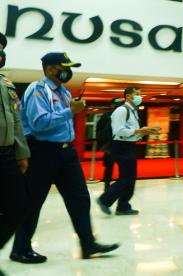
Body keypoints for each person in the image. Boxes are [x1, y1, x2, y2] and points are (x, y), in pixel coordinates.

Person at [11, 52, 120, 264]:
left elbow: (64, 119)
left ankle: (88, 244)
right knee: (33, 202)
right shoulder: (37, 90)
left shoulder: (65, 92)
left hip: (66, 153)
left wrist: (72, 110)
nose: (68, 70)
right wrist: (71, 112)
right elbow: (39, 123)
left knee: (80, 198)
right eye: (64, 66)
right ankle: (20, 249)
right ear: (50, 68)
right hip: (42, 151)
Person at [96, 87, 159, 216]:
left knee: (130, 178)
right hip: (120, 146)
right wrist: (139, 131)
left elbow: (131, 131)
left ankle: (123, 206)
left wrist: (145, 130)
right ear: (129, 96)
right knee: (127, 178)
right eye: (137, 94)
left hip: (128, 146)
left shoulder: (133, 111)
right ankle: (105, 199)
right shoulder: (121, 110)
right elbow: (119, 131)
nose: (140, 97)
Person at [0, 32, 30, 276]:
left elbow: (16, 120)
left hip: (6, 155)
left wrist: (22, 153)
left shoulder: (5, 82)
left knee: (18, 207)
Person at [101, 97, 124, 191]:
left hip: (121, 145)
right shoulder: (106, 116)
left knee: (122, 166)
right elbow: (101, 132)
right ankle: (107, 184)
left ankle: (118, 184)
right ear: (112, 105)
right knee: (110, 167)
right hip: (110, 146)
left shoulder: (124, 115)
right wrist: (104, 145)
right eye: (117, 104)